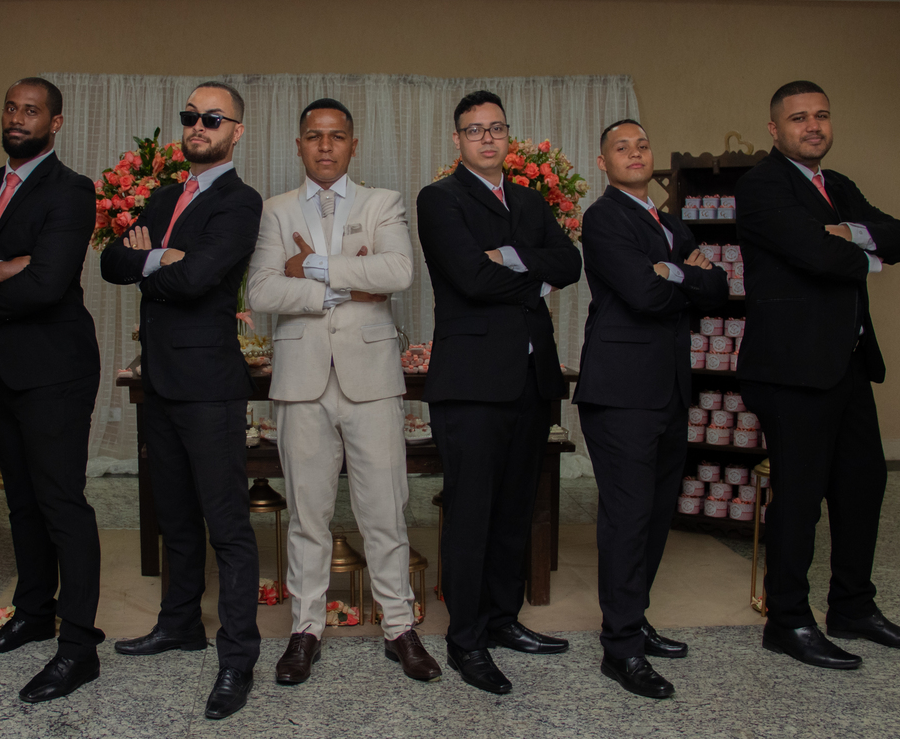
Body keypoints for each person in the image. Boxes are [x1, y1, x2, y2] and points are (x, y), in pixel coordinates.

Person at [246, 98, 441, 685]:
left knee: (385, 508)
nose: (325, 145)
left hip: (371, 379)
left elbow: (397, 272)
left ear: (354, 145)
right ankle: (305, 629)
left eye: (336, 136)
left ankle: (400, 627)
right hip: (301, 379)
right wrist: (344, 284)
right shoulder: (275, 210)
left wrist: (312, 267)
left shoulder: (383, 202)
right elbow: (261, 291)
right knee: (307, 514)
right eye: (314, 136)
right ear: (299, 145)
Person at [736, 80, 900, 669]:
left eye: (820, 115)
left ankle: (852, 607)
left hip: (849, 362)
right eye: (799, 118)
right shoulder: (762, 185)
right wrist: (865, 252)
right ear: (775, 129)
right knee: (799, 499)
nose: (813, 126)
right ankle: (788, 620)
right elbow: (815, 254)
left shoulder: (838, 186)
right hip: (792, 370)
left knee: (862, 486)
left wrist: (852, 233)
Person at [0, 78, 104, 703]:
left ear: (54, 124)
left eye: (31, 111)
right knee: (23, 502)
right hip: (1, 367)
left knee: (61, 504)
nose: (17, 118)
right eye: (10, 107)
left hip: (57, 369)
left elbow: (50, 283)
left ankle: (78, 647)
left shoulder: (71, 190)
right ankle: (33, 613)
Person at [100, 81, 263, 720]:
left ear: (236, 132)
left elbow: (197, 278)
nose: (199, 125)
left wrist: (155, 261)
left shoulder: (240, 201)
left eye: (213, 118)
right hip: (159, 381)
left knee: (227, 524)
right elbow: (111, 263)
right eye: (191, 116)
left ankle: (238, 657)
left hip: (209, 385)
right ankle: (179, 624)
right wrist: (161, 257)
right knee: (174, 515)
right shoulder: (164, 196)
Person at [416, 90, 582, 694]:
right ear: (457, 140)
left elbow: (571, 265)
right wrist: (534, 276)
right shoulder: (440, 199)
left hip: (532, 380)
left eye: (495, 128)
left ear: (508, 136)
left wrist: (511, 256)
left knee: (516, 508)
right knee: (472, 512)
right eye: (474, 130)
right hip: (472, 382)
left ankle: (503, 619)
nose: (486, 138)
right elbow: (471, 278)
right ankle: (466, 639)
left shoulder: (531, 201)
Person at [574, 119, 729, 698]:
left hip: (669, 390)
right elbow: (642, 293)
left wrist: (674, 271)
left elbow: (720, 289)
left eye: (642, 146)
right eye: (622, 148)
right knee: (628, 519)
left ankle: (634, 619)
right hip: (620, 393)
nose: (635, 154)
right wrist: (686, 278)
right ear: (603, 162)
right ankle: (621, 649)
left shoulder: (669, 223)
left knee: (658, 515)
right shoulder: (603, 218)